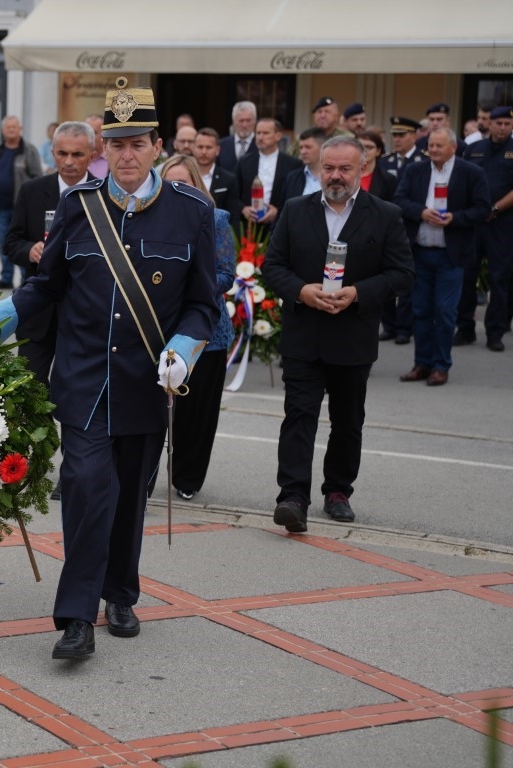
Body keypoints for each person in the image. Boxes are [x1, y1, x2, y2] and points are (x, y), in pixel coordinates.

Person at [0, 80, 218, 659]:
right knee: (89, 489)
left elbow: (203, 302)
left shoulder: (192, 211)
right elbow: (48, 287)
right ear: (101, 149)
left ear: (157, 145)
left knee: (129, 497)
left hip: (146, 384)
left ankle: (120, 590)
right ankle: (76, 617)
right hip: (85, 382)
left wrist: (186, 346)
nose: (126, 155)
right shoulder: (78, 207)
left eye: (137, 143)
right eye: (114, 144)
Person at [263, 136, 413, 532]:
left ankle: (338, 491)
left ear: (362, 169)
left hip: (353, 336)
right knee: (299, 416)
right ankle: (293, 497)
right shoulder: (295, 211)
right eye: (328, 168)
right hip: (304, 335)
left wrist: (359, 293)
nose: (335, 176)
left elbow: (402, 274)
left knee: (347, 420)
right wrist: (302, 290)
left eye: (345, 168)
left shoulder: (385, 214)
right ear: (318, 168)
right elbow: (272, 265)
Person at [158, 154, 236, 500]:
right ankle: (142, 477)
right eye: (169, 183)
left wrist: (185, 286)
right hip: (158, 328)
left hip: (207, 332)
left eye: (184, 184)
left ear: (198, 187)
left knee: (197, 415)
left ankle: (187, 477)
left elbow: (226, 274)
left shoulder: (216, 219)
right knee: (151, 410)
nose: (176, 190)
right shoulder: (149, 220)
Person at [4, 120, 97, 386]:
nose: (68, 161)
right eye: (62, 153)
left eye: (77, 154)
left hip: (84, 313)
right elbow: (11, 242)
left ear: (92, 155)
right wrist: (29, 250)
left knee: (79, 390)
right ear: (52, 152)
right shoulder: (32, 191)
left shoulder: (104, 195)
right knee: (29, 391)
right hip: (38, 314)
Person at [394, 127, 490, 387]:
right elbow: (399, 200)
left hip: (451, 255)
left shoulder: (471, 173)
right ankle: (422, 363)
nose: (433, 150)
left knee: (445, 312)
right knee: (421, 310)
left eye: (439, 146)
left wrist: (455, 218)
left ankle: (440, 365)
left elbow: (482, 208)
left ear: (453, 148)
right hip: (420, 252)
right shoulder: (415, 171)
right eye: (431, 146)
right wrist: (421, 212)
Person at [459, 105, 513, 351]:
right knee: (466, 276)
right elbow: (461, 182)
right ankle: (465, 328)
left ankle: (495, 332)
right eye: (498, 123)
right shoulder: (474, 149)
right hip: (474, 223)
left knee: (499, 278)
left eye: (507, 124)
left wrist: (495, 209)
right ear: (489, 124)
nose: (503, 128)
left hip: (502, 224)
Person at [0, 115, 41, 289]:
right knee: (4, 243)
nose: (11, 130)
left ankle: (25, 278)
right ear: (3, 130)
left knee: (23, 243)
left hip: (23, 209)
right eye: (8, 127)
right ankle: (6, 278)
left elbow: (37, 176)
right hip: (2, 207)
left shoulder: (29, 150)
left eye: (14, 127)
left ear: (20, 129)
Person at [236, 117, 302, 229]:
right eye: (258, 133)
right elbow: (235, 192)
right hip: (249, 225)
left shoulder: (293, 164)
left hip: (279, 225)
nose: (261, 137)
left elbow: (295, 196)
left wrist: (278, 211)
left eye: (266, 133)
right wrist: (243, 208)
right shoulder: (244, 162)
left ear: (278, 136)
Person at [192, 127, 240, 224]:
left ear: (217, 150)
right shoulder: (186, 176)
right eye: (200, 147)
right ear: (193, 148)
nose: (204, 152)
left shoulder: (229, 180)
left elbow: (234, 217)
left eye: (208, 147)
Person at [217, 100, 257, 173]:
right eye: (241, 121)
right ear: (233, 121)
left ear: (255, 121)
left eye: (248, 120)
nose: (244, 125)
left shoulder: (261, 146)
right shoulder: (221, 145)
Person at [356, 129, 397, 200]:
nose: (364, 150)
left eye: (369, 147)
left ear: (378, 151)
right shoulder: (346, 174)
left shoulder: (388, 179)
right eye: (360, 147)